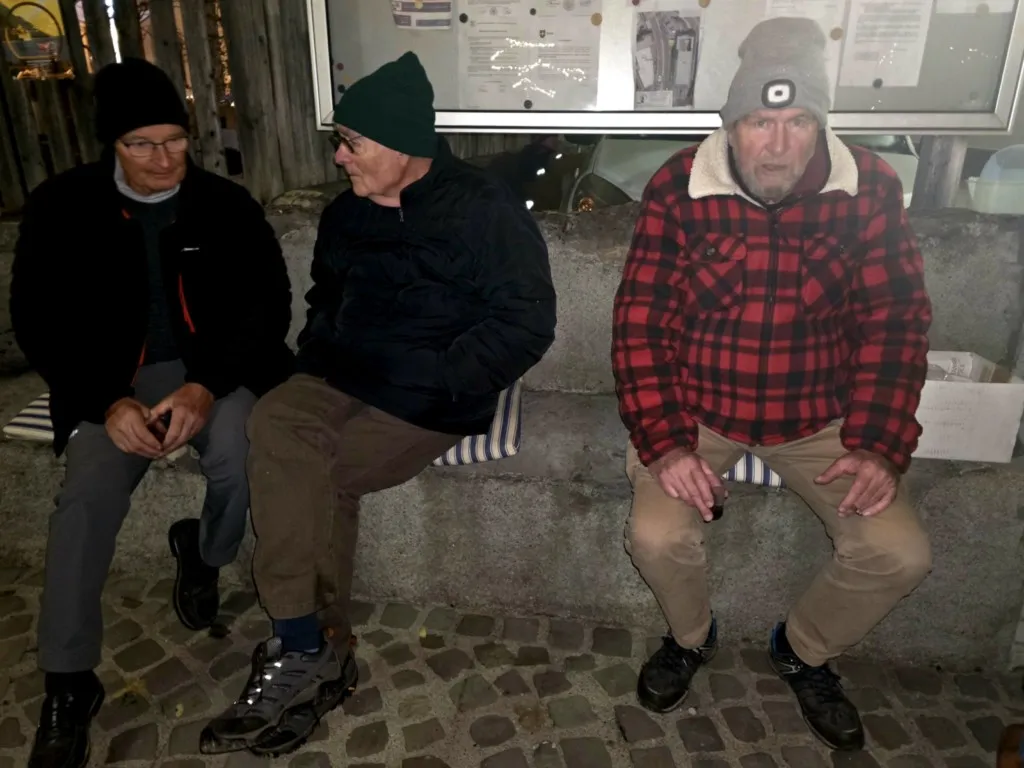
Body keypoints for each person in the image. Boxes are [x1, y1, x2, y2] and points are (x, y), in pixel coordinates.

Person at [199, 51, 557, 756]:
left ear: (401, 146)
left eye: (351, 143)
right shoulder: (346, 215)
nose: (339, 157)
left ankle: (307, 643)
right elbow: (324, 297)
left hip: (428, 397)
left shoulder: (481, 209)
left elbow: (526, 322)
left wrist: (447, 375)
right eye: (341, 142)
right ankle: (311, 645)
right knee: (275, 421)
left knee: (316, 478)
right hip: (339, 375)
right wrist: (316, 357)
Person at [611, 17, 933, 752]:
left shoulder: (870, 185)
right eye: (761, 122)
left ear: (822, 124)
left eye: (799, 123)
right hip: (701, 411)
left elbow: (896, 322)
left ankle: (803, 649)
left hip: (820, 417)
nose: (779, 145)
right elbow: (640, 324)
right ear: (732, 125)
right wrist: (667, 444)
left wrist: (879, 444)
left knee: (899, 553)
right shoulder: (679, 185)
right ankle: (691, 638)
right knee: (656, 536)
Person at [10, 58, 293, 768]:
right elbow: (37, 319)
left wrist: (206, 386)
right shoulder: (60, 206)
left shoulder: (225, 205)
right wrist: (105, 401)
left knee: (241, 454)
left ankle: (204, 553)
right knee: (84, 501)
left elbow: (267, 307)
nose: (164, 159)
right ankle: (68, 681)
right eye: (142, 144)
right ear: (112, 144)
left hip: (211, 375)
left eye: (175, 140)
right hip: (109, 385)